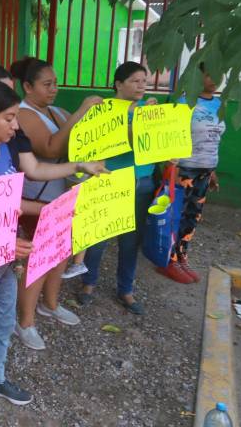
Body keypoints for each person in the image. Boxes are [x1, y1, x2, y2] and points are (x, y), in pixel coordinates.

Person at [0, 81, 105, 427]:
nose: (16, 126)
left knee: (3, 321)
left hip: (7, 254)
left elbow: (11, 200)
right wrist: (4, 241)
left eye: (16, 117)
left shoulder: (1, 149)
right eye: (10, 118)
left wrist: (73, 175)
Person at [10, 57, 103, 350]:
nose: (53, 89)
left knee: (60, 255)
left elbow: (85, 138)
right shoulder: (23, 115)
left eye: (55, 83)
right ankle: (25, 322)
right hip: (38, 198)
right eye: (46, 84)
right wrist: (81, 111)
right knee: (38, 261)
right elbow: (51, 147)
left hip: (63, 196)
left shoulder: (56, 111)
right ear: (27, 86)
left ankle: (49, 304)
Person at [78, 61, 157, 315]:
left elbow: (159, 144)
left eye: (144, 81)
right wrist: (139, 124)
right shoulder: (103, 110)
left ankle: (126, 289)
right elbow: (101, 141)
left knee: (130, 241)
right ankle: (88, 284)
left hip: (142, 181)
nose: (141, 86)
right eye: (135, 81)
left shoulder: (151, 110)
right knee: (99, 236)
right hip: (109, 180)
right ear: (118, 84)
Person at [157, 64, 226, 284]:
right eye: (209, 73)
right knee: (176, 215)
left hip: (205, 170)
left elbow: (213, 139)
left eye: (219, 73)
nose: (215, 78)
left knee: (193, 217)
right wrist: (172, 170)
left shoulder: (218, 104)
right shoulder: (183, 102)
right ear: (198, 75)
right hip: (184, 169)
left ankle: (181, 256)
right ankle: (168, 260)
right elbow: (170, 137)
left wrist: (212, 171)